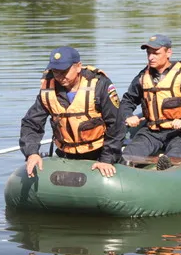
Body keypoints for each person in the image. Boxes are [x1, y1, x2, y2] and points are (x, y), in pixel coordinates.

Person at [20, 46, 124, 178]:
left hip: (99, 152)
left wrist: (107, 159)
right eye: (56, 72)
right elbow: (31, 123)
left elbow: (116, 124)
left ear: (78, 67)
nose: (60, 77)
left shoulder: (99, 85)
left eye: (64, 71)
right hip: (66, 155)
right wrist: (32, 152)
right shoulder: (48, 90)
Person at [120, 34, 181, 170]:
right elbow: (127, 101)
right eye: (149, 53)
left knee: (175, 156)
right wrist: (128, 115)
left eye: (156, 53)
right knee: (126, 156)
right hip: (151, 132)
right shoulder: (142, 77)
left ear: (168, 52)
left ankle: (166, 173)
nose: (151, 57)